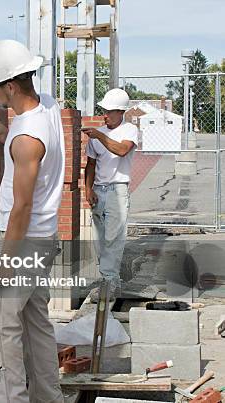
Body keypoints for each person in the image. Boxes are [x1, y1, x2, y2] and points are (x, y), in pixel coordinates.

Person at [0, 40, 65, 403]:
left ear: (10, 86)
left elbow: (21, 207)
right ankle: (49, 397)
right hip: (43, 240)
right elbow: (29, 143)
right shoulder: (48, 107)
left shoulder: (26, 139)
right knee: (35, 326)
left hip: (21, 243)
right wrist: (3, 133)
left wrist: (3, 262)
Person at [83, 88, 138, 300]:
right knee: (100, 239)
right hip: (99, 190)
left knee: (114, 238)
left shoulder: (129, 130)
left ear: (120, 111)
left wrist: (99, 135)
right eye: (103, 111)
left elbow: (122, 150)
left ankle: (110, 284)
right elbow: (90, 164)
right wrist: (88, 189)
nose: (104, 115)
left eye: (109, 111)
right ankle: (108, 280)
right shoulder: (97, 135)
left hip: (118, 190)